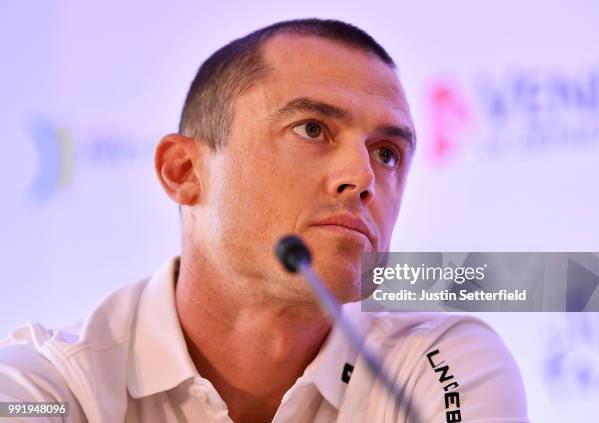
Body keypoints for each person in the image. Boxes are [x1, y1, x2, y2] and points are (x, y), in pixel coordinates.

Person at [0, 19, 529, 423]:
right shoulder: (46, 387)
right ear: (184, 171)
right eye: (312, 129)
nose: (362, 177)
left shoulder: (441, 364)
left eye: (387, 153)